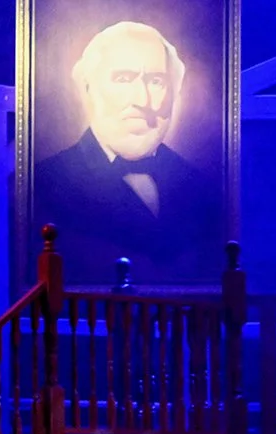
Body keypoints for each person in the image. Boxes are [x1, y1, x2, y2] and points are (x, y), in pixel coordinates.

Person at [33, 20, 219, 283]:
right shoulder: (43, 184)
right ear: (89, 89)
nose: (142, 100)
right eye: (123, 79)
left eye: (156, 81)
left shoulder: (201, 187)